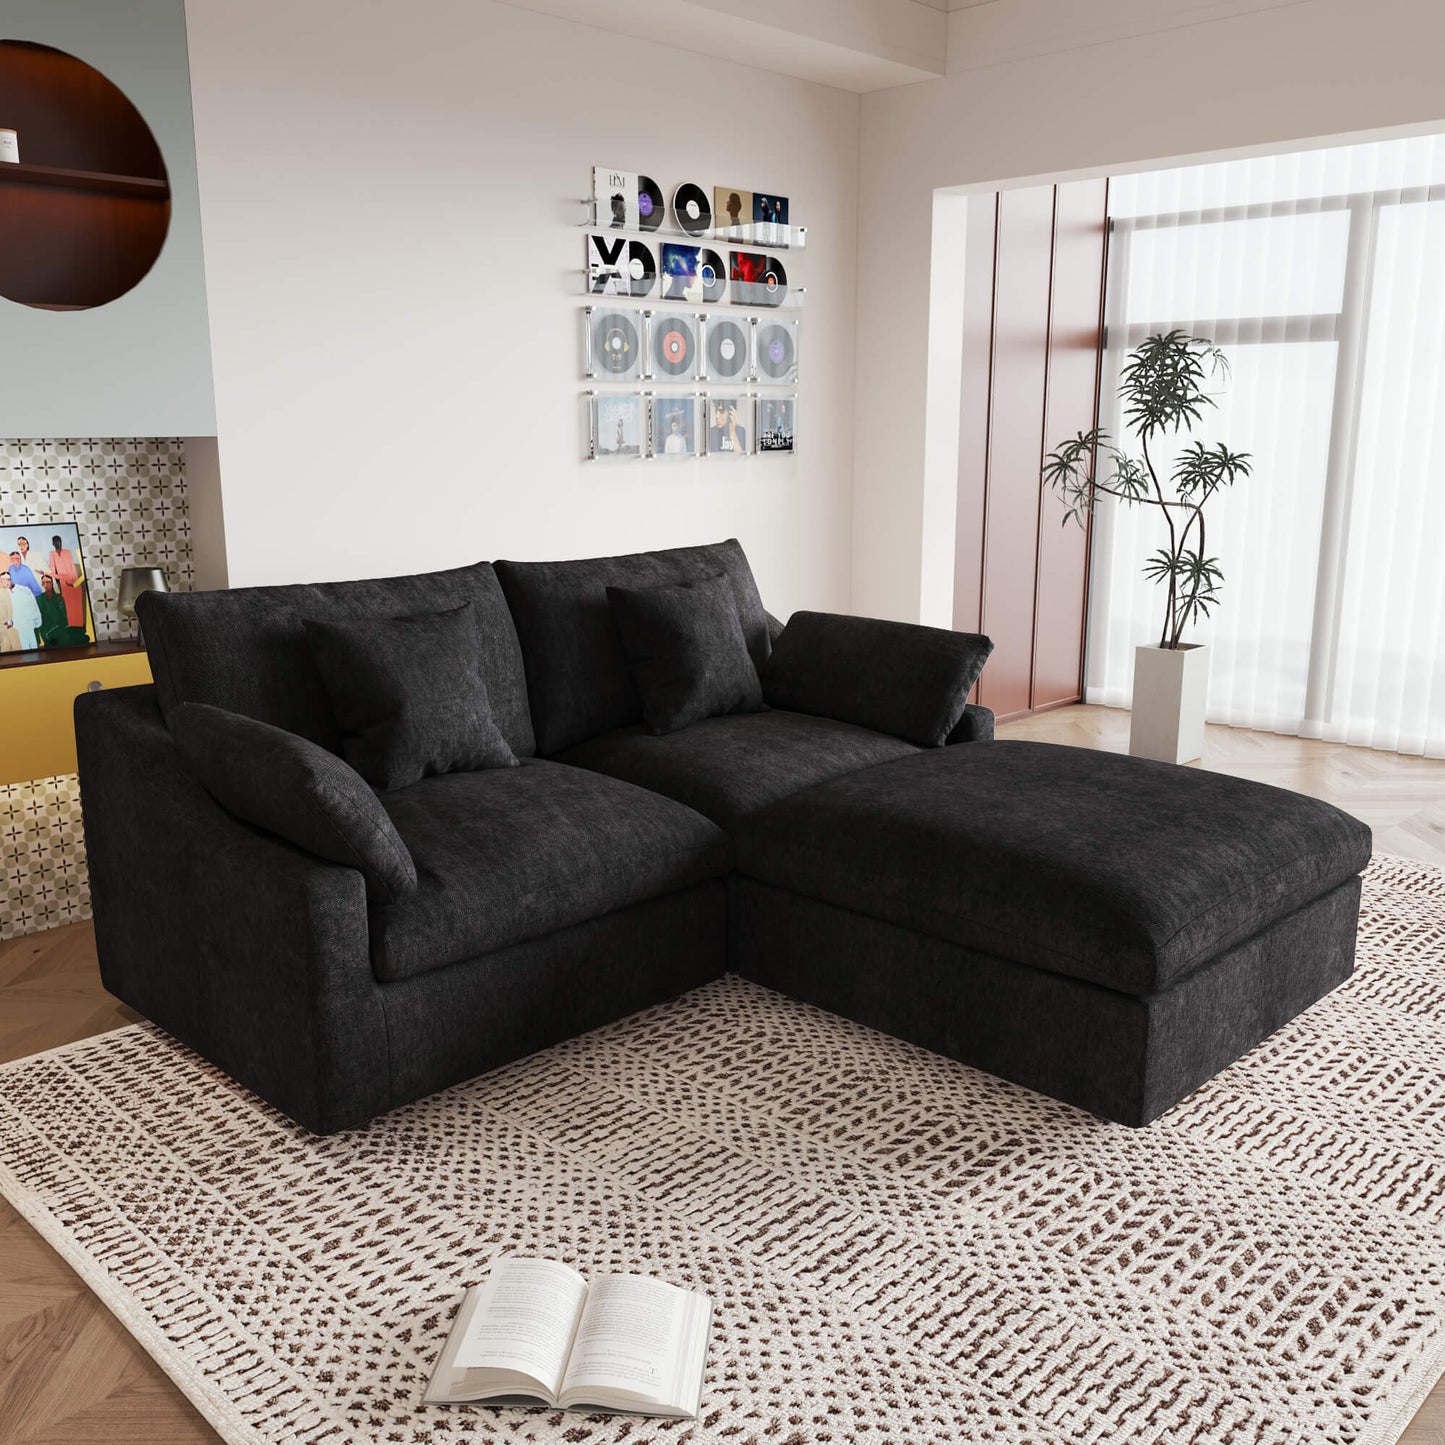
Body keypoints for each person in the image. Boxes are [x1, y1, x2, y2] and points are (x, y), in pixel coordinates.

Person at [47, 534, 86, 629]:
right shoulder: (52, 554)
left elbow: (72, 567)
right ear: (53, 543)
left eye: (59, 541)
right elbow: (53, 569)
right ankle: (72, 624)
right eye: (56, 541)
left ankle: (80, 624)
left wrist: (74, 581)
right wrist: (57, 584)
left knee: (76, 602)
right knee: (68, 603)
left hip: (72, 579)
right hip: (62, 581)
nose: (58, 543)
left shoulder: (67, 552)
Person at [36, 574, 76, 646]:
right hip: (48, 632)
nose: (45, 585)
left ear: (52, 583)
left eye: (47, 582)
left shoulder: (59, 598)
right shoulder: (39, 599)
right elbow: (39, 618)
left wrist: (64, 628)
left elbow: (64, 615)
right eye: (43, 583)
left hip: (60, 630)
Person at [6, 571, 40, 649]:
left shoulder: (24, 590)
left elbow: (33, 604)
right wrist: (9, 621)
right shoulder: (5, 593)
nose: (7, 582)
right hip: (18, 622)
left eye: (8, 579)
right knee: (24, 644)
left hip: (28, 620)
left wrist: (36, 618)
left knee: (32, 643)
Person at [0, 574, 18, 653]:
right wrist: (5, 622)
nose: (7, 581)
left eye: (8, 579)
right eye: (4, 579)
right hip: (3, 626)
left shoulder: (11, 592)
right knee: (5, 648)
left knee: (16, 649)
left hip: (14, 626)